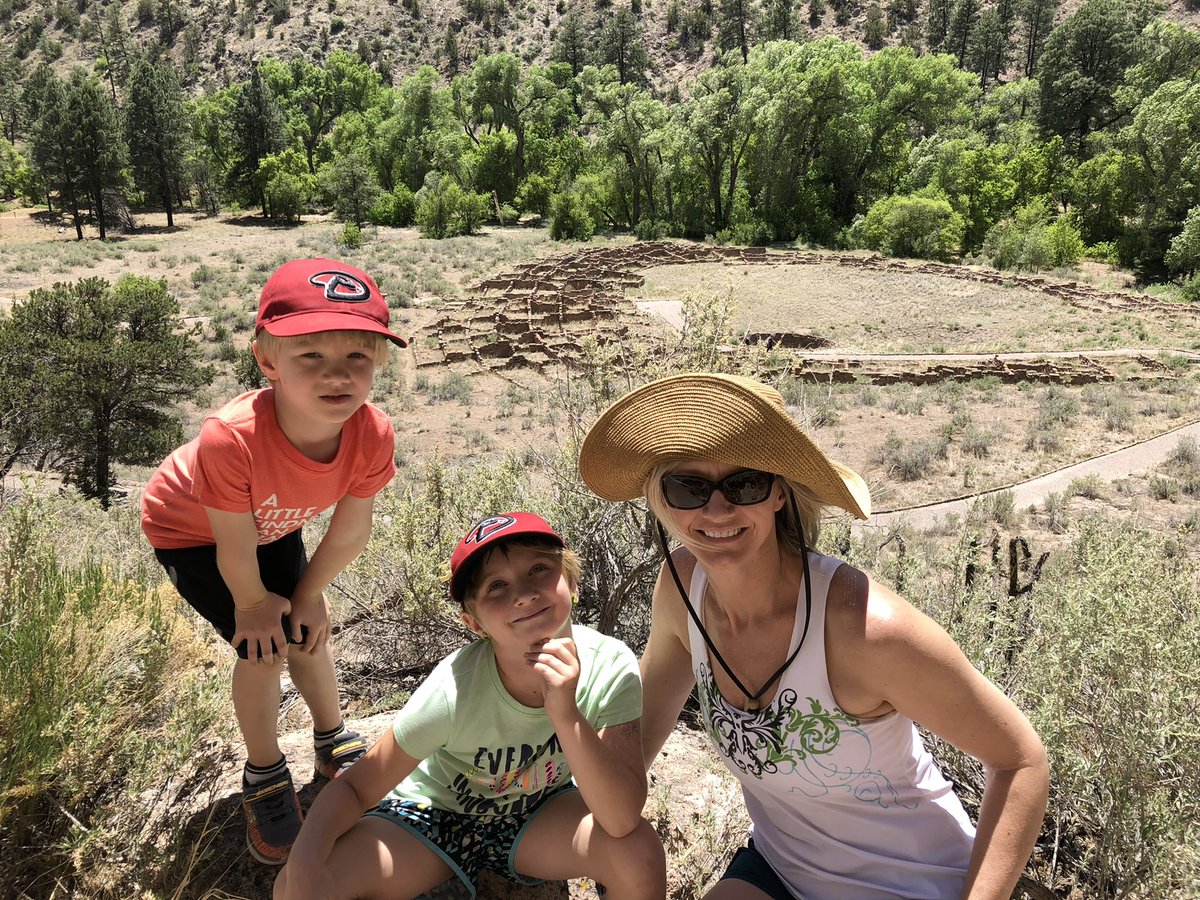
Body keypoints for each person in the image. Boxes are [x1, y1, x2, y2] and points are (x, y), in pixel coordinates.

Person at [578, 372, 1049, 900]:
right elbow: (635, 742)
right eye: (688, 487)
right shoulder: (683, 589)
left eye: (745, 484)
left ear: (779, 492)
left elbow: (1021, 760)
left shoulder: (864, 629)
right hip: (780, 868)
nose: (715, 511)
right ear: (661, 501)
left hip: (911, 883)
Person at [141, 258, 406, 865]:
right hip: (194, 532)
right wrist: (256, 606)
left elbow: (348, 533)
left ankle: (331, 737)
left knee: (309, 630)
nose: (336, 375)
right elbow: (233, 548)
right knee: (260, 647)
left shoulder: (372, 433)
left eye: (357, 359)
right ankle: (263, 771)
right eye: (310, 356)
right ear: (267, 361)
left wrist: (308, 595)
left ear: (378, 364)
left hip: (268, 520)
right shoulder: (231, 438)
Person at [273, 512, 666, 900]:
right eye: (496, 586)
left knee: (638, 855)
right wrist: (304, 862)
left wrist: (565, 712)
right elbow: (357, 787)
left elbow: (620, 818)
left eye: (539, 569)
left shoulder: (610, 665)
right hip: (433, 819)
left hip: (540, 816)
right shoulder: (455, 690)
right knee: (295, 886)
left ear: (572, 579)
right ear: (474, 623)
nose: (524, 593)